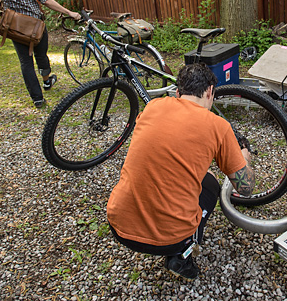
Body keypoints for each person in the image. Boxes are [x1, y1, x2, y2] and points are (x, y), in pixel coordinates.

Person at [107, 63, 255, 280]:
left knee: (204, 177)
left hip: (118, 224)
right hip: (169, 239)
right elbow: (246, 188)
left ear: (178, 93)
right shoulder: (218, 125)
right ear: (209, 92)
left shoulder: (153, 107)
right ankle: (181, 255)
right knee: (211, 184)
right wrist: (244, 158)